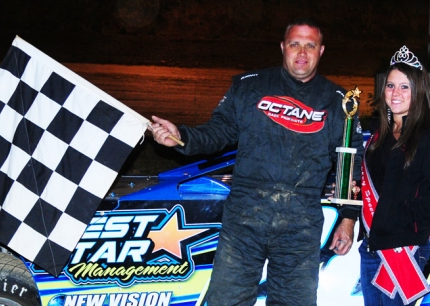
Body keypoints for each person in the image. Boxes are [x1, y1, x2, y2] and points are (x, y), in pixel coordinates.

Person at [150, 18, 364, 305]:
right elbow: (218, 132)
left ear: (321, 51)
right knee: (226, 299)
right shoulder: (249, 86)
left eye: (310, 45)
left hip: (301, 223)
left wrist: (348, 218)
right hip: (245, 216)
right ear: (282, 47)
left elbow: (349, 163)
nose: (302, 52)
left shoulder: (339, 102)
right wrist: (182, 138)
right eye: (295, 44)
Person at [360, 46, 430, 306]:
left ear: (418, 90)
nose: (396, 93)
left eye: (405, 86)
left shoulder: (425, 135)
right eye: (391, 85)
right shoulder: (378, 135)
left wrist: (404, 221)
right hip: (371, 248)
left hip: (407, 248)